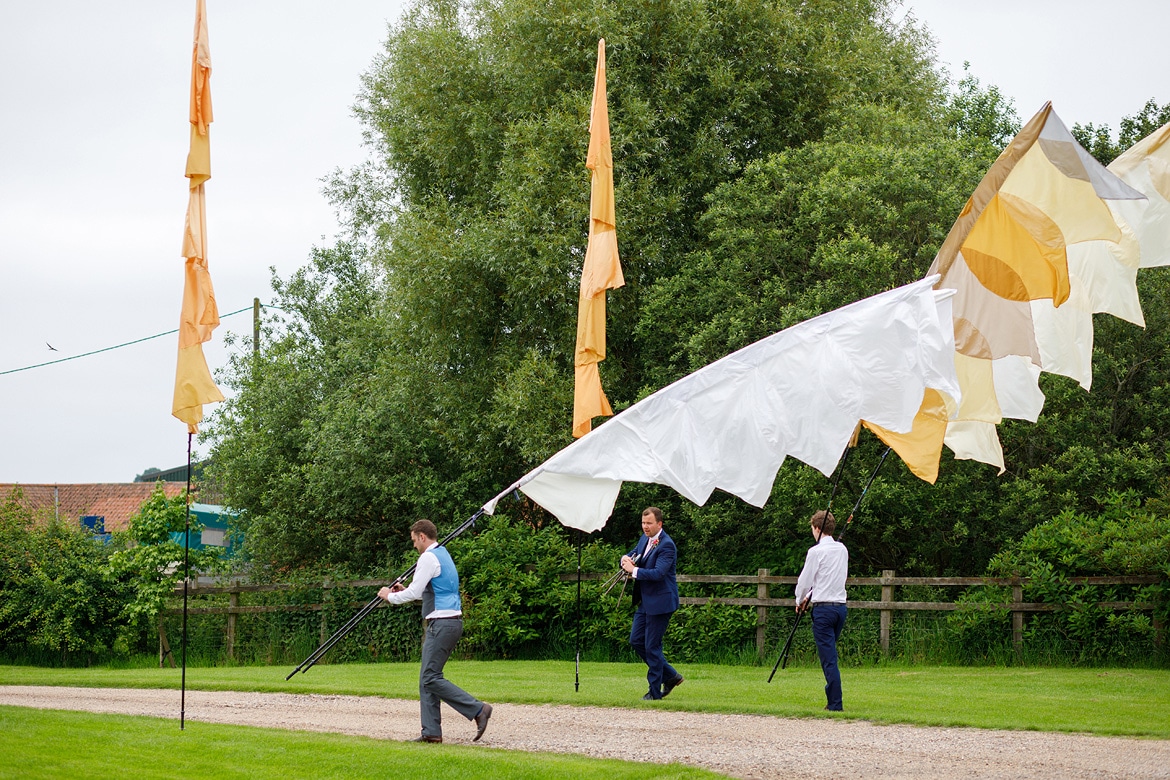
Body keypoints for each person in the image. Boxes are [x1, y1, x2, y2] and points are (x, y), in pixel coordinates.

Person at [378, 519, 492, 743]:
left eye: (414, 540)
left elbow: (412, 595)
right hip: (450, 622)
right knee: (426, 678)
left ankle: (478, 709)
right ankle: (431, 733)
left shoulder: (428, 557)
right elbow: (425, 591)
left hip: (441, 624)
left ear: (422, 536)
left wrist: (389, 596)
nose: (413, 546)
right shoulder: (442, 553)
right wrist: (406, 589)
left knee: (430, 677)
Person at [621, 506, 683, 700]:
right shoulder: (644, 539)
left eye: (649, 523)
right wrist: (624, 559)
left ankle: (654, 693)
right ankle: (671, 675)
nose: (645, 527)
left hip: (662, 602)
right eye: (643, 523)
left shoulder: (667, 545)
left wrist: (634, 571)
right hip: (645, 601)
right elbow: (634, 555)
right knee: (636, 640)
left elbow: (658, 573)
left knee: (651, 646)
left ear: (659, 524)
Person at [794, 509, 848, 711]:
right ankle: (831, 697)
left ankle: (835, 703)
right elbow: (828, 579)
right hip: (840, 608)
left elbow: (805, 581)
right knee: (830, 654)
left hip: (823, 610)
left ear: (817, 528)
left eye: (812, 529)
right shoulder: (842, 550)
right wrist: (809, 596)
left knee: (829, 658)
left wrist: (800, 600)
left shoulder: (815, 552)